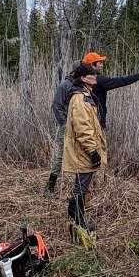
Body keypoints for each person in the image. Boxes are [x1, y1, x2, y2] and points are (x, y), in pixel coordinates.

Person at [62, 63, 107, 232]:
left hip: (86, 150)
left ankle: (77, 216)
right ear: (83, 78)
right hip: (84, 152)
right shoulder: (79, 99)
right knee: (81, 185)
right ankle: (77, 218)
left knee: (83, 184)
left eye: (95, 74)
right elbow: (82, 127)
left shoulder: (86, 95)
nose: (95, 76)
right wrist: (93, 151)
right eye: (91, 74)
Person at [81, 52, 139, 128]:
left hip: (85, 121)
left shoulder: (81, 78)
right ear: (92, 64)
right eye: (100, 63)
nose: (102, 64)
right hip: (95, 122)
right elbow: (124, 81)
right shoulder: (98, 80)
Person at [46, 61, 82, 196]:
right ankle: (49, 188)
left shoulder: (82, 85)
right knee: (60, 156)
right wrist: (64, 124)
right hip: (66, 127)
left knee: (81, 156)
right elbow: (56, 106)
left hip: (80, 128)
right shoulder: (65, 85)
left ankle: (77, 191)